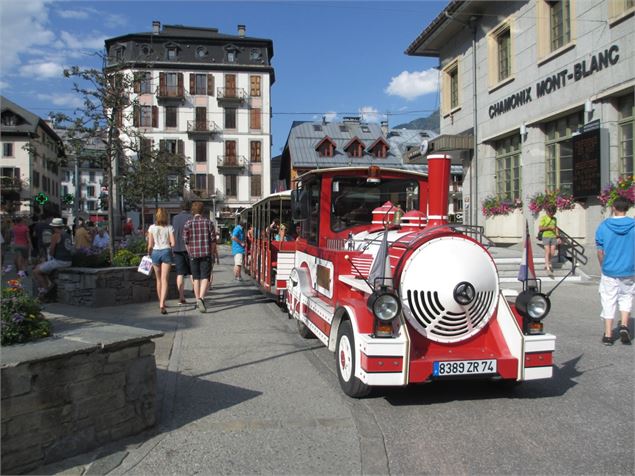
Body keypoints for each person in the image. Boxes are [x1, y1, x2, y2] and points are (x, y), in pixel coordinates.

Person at [595, 196, 634, 346]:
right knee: (626, 296)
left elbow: (600, 251)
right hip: (629, 269)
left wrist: (603, 265)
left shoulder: (604, 226)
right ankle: (624, 325)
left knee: (608, 299)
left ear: (613, 208)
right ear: (627, 208)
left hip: (610, 269)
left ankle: (608, 334)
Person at [183, 202, 215, 313]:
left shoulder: (188, 223)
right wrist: (212, 253)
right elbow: (213, 241)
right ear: (202, 211)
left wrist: (190, 252)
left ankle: (197, 300)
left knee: (196, 278)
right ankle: (201, 298)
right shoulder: (208, 222)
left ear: (193, 211)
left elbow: (186, 241)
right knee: (205, 277)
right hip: (206, 254)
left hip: (193, 255)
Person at [33, 218, 73, 296]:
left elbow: (51, 251)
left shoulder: (55, 235)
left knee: (36, 271)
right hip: (68, 261)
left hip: (59, 261)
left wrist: (49, 257)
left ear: (54, 227)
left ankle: (46, 291)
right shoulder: (67, 235)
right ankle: (50, 285)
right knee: (44, 269)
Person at [147, 208, 175, 315]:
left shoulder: (151, 228)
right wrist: (168, 244)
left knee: (158, 279)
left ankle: (160, 302)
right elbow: (173, 243)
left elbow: (150, 245)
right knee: (165, 280)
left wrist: (149, 253)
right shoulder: (169, 227)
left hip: (155, 252)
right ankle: (162, 303)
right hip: (166, 251)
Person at [172, 201, 193, 304]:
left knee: (180, 273)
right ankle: (197, 295)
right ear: (189, 208)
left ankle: (181, 296)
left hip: (177, 248)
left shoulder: (175, 218)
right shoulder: (191, 218)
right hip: (189, 248)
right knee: (193, 272)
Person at [539, 205, 559, 273]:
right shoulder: (543, 218)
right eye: (551, 213)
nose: (552, 214)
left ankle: (549, 262)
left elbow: (555, 227)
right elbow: (540, 228)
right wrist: (549, 228)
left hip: (553, 236)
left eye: (553, 213)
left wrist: (557, 235)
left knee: (552, 252)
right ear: (547, 212)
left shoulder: (554, 219)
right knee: (548, 251)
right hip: (546, 236)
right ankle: (547, 265)